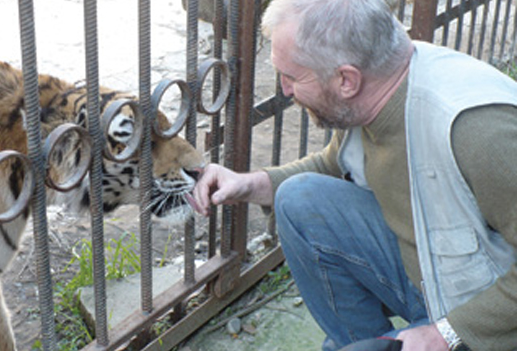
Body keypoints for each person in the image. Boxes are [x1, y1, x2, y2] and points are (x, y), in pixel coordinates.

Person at [191, 0, 517, 350]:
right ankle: (366, 343)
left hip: (485, 311)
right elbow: (334, 164)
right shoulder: (378, 86)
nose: (284, 90)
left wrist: (448, 334)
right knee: (299, 199)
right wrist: (250, 184)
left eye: (291, 77)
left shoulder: (477, 131)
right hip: (432, 271)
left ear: (346, 79)